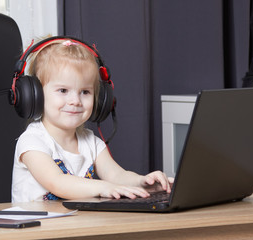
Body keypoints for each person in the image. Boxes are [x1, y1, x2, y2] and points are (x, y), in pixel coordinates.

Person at [11, 37, 173, 203]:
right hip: (37, 226)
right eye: (63, 90)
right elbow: (57, 182)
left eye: (85, 92)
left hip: (76, 225)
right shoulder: (32, 142)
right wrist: (103, 187)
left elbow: (116, 175)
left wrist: (143, 183)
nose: (75, 100)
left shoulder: (91, 143)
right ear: (35, 96)